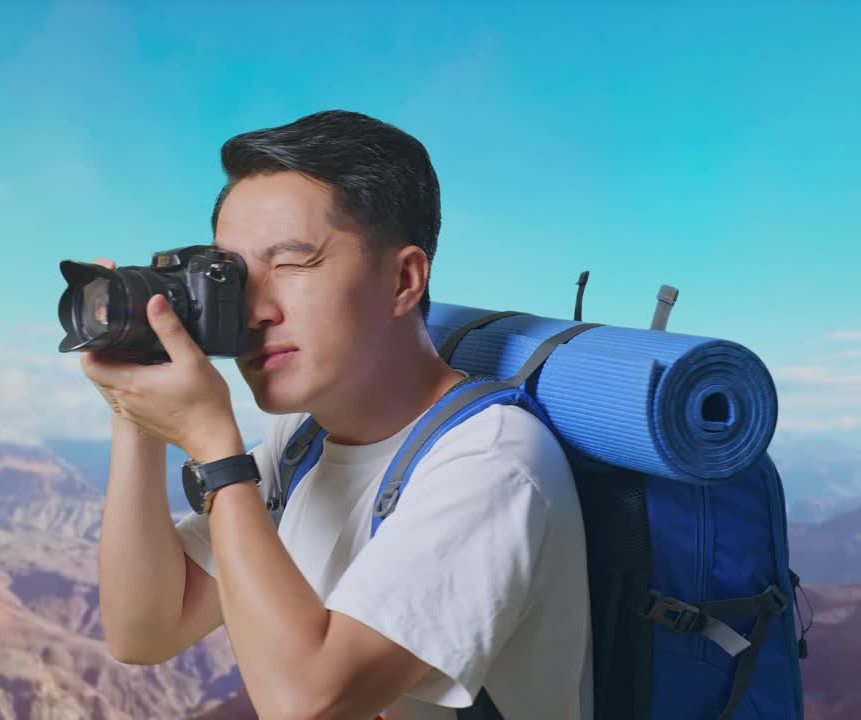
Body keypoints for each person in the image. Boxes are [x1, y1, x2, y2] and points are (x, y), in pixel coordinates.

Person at [86, 110, 593, 720]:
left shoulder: (492, 463)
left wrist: (215, 449)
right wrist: (133, 404)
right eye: (234, 276)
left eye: (292, 263)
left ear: (403, 279)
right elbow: (143, 630)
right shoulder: (303, 439)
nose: (254, 311)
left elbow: (307, 705)